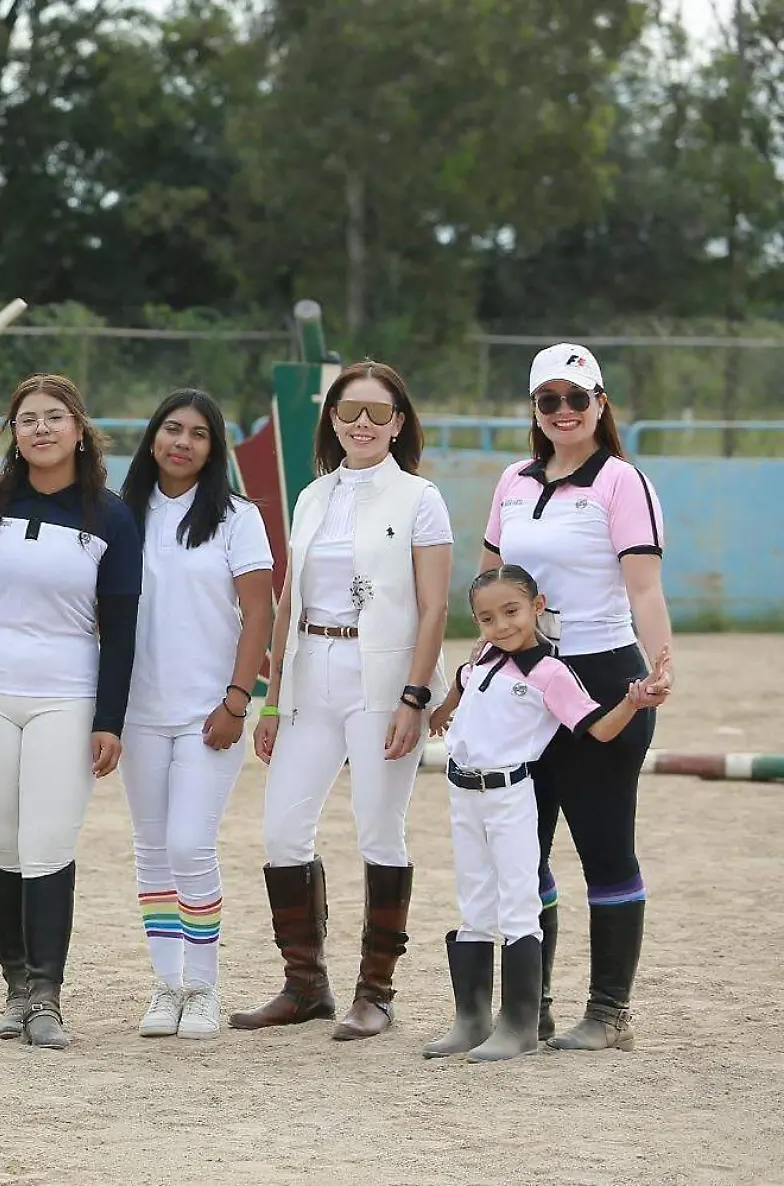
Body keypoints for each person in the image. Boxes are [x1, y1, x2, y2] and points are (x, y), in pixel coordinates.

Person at [234, 360, 451, 1041]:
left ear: (399, 423)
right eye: (349, 411)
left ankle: (376, 991)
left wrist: (415, 697)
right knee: (280, 831)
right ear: (331, 419)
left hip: (381, 677)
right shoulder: (311, 497)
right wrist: (271, 701)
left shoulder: (421, 497)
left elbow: (434, 603)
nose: (362, 423)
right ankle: (305, 986)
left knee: (378, 826)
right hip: (309, 673)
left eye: (378, 413)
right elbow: (290, 594)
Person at [480, 343, 673, 1051]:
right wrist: (478, 663)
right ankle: (530, 1008)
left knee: (603, 845)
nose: (562, 411)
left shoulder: (622, 482)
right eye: (547, 400)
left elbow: (644, 587)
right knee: (521, 851)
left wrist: (660, 665)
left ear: (600, 404)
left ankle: (609, 1011)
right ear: (534, 410)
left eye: (576, 398)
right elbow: (491, 579)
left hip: (599, 674)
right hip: (525, 683)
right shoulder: (512, 480)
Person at [0, 373, 141, 1050]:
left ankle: (48, 997)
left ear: (79, 429)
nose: (41, 429)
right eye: (27, 419)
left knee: (48, 842)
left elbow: (121, 626)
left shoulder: (111, 516)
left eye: (54, 418)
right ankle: (15, 988)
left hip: (65, 691)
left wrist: (108, 718)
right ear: (13, 432)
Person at [422, 565, 670, 1062]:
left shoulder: (550, 673)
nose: (502, 625)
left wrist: (632, 701)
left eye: (512, 611)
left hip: (511, 796)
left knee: (518, 901)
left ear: (537, 607)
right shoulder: (482, 662)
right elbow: (454, 698)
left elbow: (597, 728)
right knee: (474, 900)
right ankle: (470, 1017)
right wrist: (439, 712)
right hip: (464, 796)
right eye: (487, 618)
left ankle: (521, 1021)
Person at [116, 391, 274, 1041]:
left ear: (214, 449)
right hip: (137, 710)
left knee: (190, 843)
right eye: (171, 429)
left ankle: (203, 987)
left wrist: (238, 698)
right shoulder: (119, 515)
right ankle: (165, 985)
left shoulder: (237, 518)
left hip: (212, 711)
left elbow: (258, 616)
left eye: (199, 434)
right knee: (152, 849)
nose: (182, 442)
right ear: (153, 437)